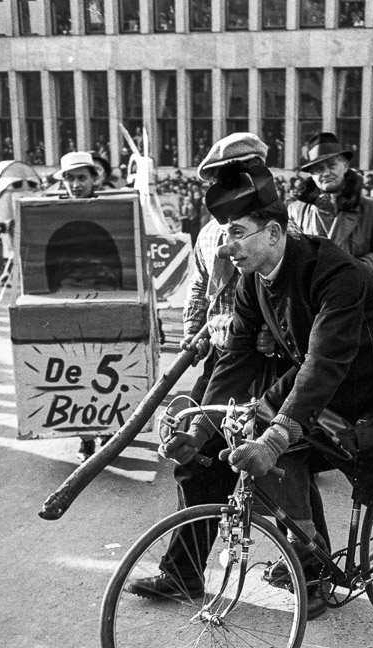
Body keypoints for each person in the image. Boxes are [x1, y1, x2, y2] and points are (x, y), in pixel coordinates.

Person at [133, 162, 373, 615]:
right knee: (273, 427)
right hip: (353, 359)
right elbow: (236, 360)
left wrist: (274, 437)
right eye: (223, 233)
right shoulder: (253, 280)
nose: (226, 246)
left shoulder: (334, 271)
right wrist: (201, 432)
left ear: (273, 233)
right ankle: (308, 563)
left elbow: (324, 362)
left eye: (236, 232)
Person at [135, 133, 332, 618]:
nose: (229, 182)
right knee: (197, 455)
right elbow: (199, 287)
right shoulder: (209, 233)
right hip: (225, 360)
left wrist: (277, 334)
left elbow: (300, 291)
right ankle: (183, 571)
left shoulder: (275, 224)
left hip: (275, 363)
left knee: (283, 467)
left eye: (240, 170)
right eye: (218, 176)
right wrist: (191, 335)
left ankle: (314, 573)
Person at [51, 151, 120, 460]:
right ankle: (85, 437)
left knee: (104, 368)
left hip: (105, 299)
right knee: (75, 371)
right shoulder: (50, 210)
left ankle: (106, 430)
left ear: (95, 179)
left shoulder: (114, 209)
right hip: (67, 301)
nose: (75, 184)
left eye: (81, 177)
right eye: (70, 178)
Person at [287, 132, 373, 275]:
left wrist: (359, 266)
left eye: (332, 166)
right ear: (312, 175)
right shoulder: (295, 211)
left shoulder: (372, 208)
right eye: (319, 169)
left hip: (358, 291)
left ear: (345, 166)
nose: (326, 173)